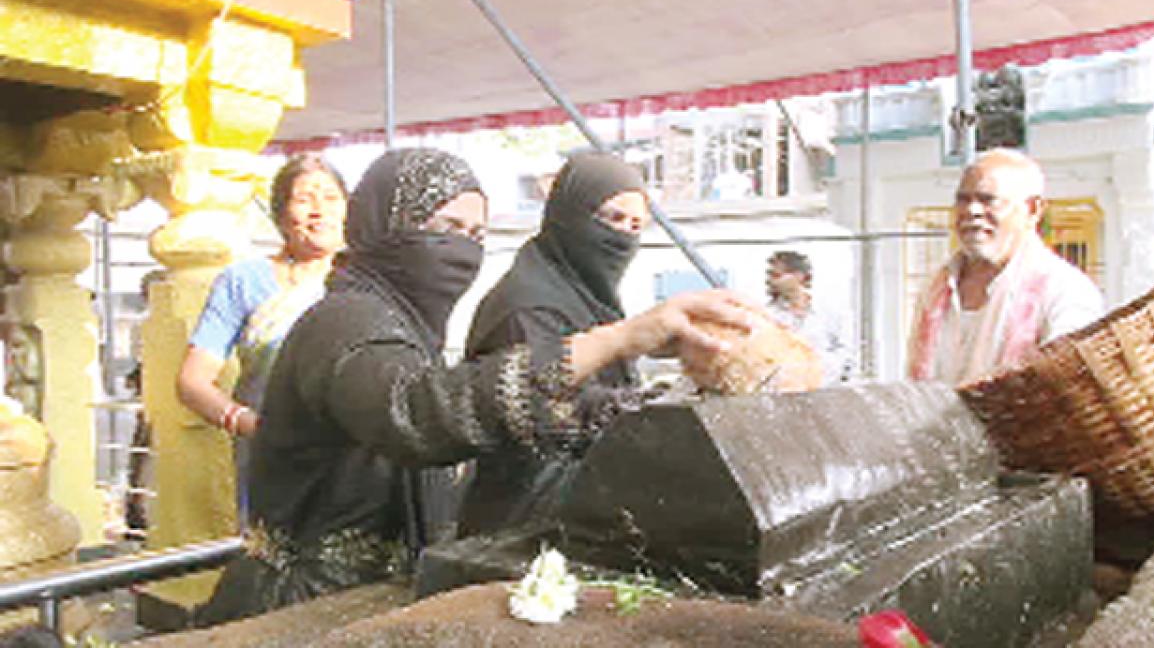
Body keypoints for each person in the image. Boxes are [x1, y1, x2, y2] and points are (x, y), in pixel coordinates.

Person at [196, 148, 754, 625]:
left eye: (476, 234)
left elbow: (517, 410)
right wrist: (617, 340)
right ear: (384, 225)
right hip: (303, 612)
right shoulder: (344, 321)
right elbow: (417, 414)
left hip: (371, 600)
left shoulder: (399, 324)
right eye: (443, 228)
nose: (462, 250)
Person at [462, 152, 649, 535]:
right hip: (519, 527)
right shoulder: (526, 306)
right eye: (613, 218)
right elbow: (547, 418)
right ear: (570, 216)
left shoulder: (585, 298)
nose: (624, 237)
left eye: (636, 225)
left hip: (566, 515)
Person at [176, 153, 348, 519]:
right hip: (270, 455)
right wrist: (252, 426)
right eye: (304, 199)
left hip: (352, 454)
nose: (320, 211)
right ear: (281, 216)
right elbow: (192, 383)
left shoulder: (366, 277)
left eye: (331, 199)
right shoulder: (243, 281)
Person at [907, 148, 1103, 386]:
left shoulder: (1065, 290)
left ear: (1032, 210)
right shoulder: (935, 289)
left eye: (988, 200)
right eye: (963, 200)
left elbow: (1068, 387)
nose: (972, 211)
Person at [765, 250, 854, 385]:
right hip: (785, 392)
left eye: (776, 275)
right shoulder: (768, 316)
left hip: (826, 391)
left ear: (798, 276)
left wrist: (822, 372)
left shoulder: (830, 312)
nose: (769, 281)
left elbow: (846, 354)